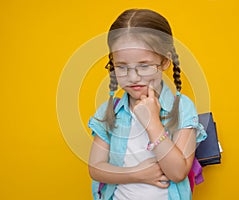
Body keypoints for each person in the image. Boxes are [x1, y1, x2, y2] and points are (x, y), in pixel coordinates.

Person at [88, 8, 207, 200]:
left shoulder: (183, 107)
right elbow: (95, 168)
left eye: (144, 65)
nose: (133, 77)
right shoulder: (111, 111)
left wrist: (152, 123)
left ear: (165, 61)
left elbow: (177, 172)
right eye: (122, 67)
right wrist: (138, 174)